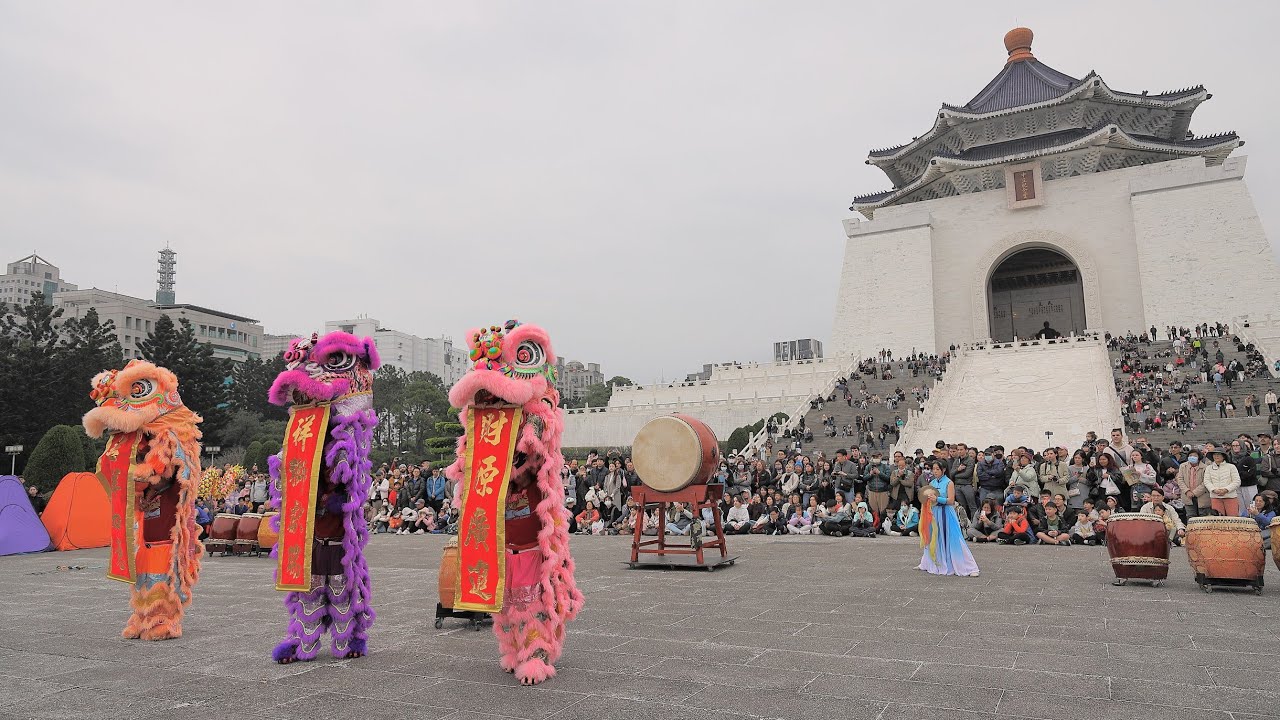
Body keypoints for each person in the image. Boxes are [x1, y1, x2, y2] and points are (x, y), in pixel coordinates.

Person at [917, 461, 980, 576]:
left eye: (937, 469)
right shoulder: (932, 482)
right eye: (933, 469)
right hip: (935, 513)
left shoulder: (949, 482)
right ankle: (929, 562)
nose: (935, 471)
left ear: (944, 469)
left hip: (946, 512)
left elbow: (951, 500)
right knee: (934, 538)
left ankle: (968, 566)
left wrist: (937, 499)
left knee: (953, 538)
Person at [1203, 448, 1242, 517]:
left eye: (1218, 454)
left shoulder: (1231, 467)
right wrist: (1214, 490)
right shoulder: (1208, 468)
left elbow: (1237, 481)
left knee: (1233, 518)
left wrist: (1226, 490)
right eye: (1214, 454)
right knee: (1217, 520)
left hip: (1230, 497)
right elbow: (1206, 481)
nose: (1216, 456)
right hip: (1215, 497)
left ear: (1224, 456)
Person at [1176, 448, 1210, 520]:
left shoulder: (1205, 467)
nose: (1192, 457)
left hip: (1202, 496)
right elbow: (1180, 479)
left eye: (1194, 456)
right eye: (1190, 455)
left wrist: (1194, 493)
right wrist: (1187, 491)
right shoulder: (1183, 466)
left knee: (1203, 517)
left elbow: (1206, 482)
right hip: (1187, 496)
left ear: (1199, 457)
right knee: (1190, 517)